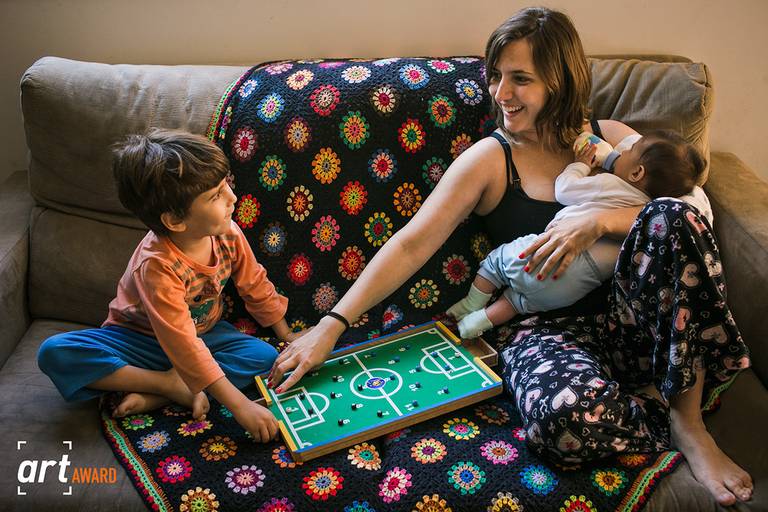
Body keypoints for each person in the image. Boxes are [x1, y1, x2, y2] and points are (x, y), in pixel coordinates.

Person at [267, 7, 753, 506]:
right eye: (496, 76)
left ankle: (687, 422)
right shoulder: (490, 158)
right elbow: (413, 242)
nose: (501, 93)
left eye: (520, 79)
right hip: (542, 329)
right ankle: (649, 406)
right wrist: (332, 324)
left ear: (560, 83)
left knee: (670, 217)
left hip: (636, 320)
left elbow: (690, 213)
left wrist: (601, 221)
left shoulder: (613, 140)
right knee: (563, 425)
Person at [38, 129, 300, 442]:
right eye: (215, 195)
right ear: (175, 221)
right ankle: (165, 384)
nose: (232, 197)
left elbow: (253, 282)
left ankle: (171, 392)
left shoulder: (228, 232)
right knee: (54, 352)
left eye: (225, 184)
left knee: (264, 356)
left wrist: (286, 334)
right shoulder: (156, 265)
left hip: (203, 335)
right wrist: (240, 406)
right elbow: (182, 346)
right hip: (137, 341)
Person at [449, 130, 707, 339]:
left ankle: (470, 305)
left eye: (629, 150)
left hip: (548, 252)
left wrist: (580, 165)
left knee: (496, 263)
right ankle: (478, 323)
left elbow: (565, 190)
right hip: (577, 283)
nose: (622, 150)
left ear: (637, 173)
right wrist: (610, 159)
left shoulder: (611, 184)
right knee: (518, 302)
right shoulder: (653, 206)